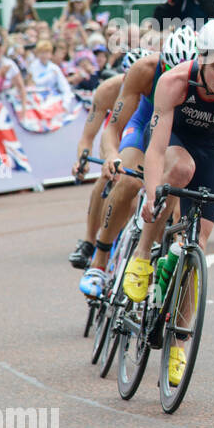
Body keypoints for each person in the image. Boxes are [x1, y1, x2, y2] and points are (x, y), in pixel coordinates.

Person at [122, 20, 214, 385]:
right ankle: (141, 255)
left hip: (210, 148)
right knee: (180, 169)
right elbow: (154, 149)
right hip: (173, 140)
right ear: (201, 59)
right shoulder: (174, 82)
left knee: (196, 249)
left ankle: (179, 344)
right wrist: (153, 194)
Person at [78, 26, 199, 297]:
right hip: (144, 122)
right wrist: (112, 155)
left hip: (177, 131)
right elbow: (113, 128)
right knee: (130, 179)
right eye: (170, 71)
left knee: (177, 187)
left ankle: (157, 256)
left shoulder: (207, 77)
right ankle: (99, 258)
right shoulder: (144, 70)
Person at [69, 49, 143, 270]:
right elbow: (87, 137)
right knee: (106, 178)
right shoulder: (108, 90)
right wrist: (81, 161)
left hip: (142, 136)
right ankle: (90, 242)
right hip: (117, 137)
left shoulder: (156, 88)